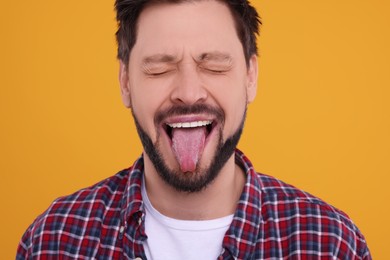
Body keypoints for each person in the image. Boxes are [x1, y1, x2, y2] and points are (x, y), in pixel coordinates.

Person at [17, 0, 371, 259]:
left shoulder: (331, 243)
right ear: (125, 82)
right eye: (159, 68)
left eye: (214, 65)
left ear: (250, 77)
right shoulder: (53, 240)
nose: (188, 92)